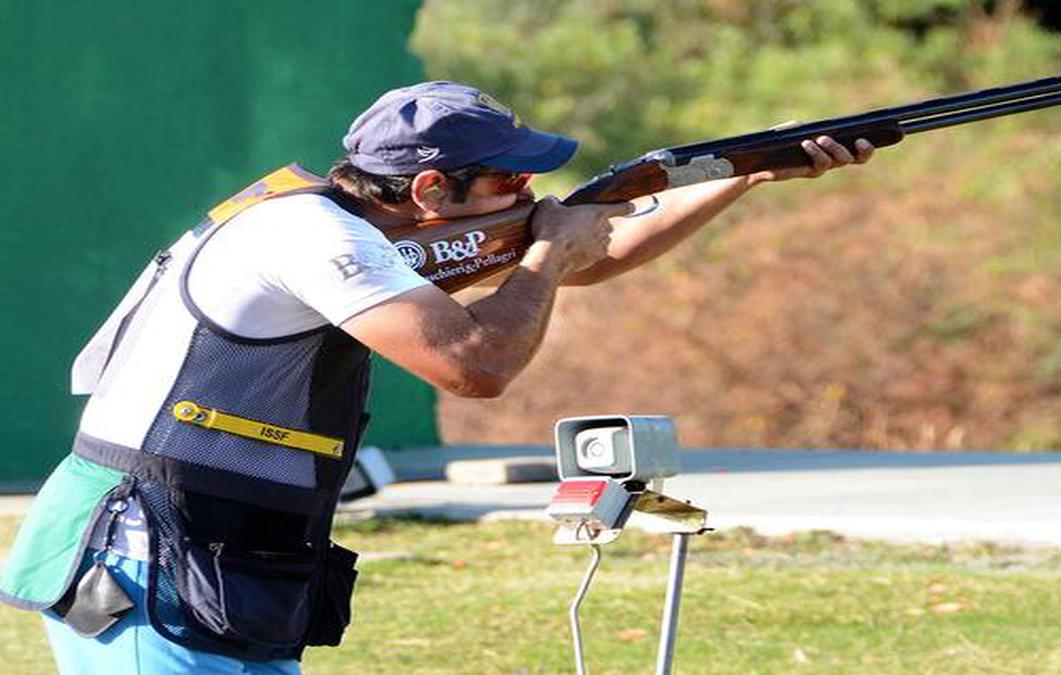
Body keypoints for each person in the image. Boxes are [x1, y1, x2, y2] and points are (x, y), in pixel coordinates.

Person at [0, 81, 873, 673]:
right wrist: (540, 253)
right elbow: (475, 365)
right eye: (511, 178)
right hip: (152, 553)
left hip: (219, 550)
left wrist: (748, 172)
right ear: (427, 189)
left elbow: (587, 258)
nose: (531, 188)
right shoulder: (315, 240)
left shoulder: (355, 229)